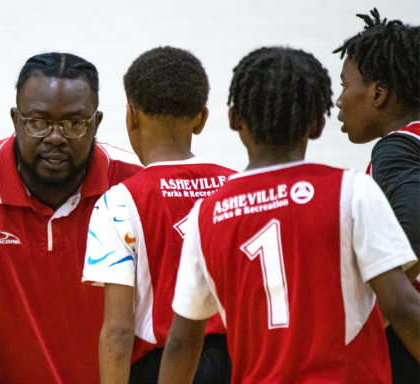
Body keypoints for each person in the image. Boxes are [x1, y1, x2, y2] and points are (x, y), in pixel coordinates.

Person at [158, 47, 420, 384]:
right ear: (316, 124)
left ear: (234, 118)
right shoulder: (351, 191)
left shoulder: (207, 214)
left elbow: (181, 343)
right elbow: (402, 306)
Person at [0, 52, 142, 383]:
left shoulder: (134, 183)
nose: (55, 137)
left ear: (96, 123)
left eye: (73, 124)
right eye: (38, 122)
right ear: (16, 119)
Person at [82, 46, 234, 384]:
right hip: (240, 364)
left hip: (161, 369)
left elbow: (118, 332)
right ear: (202, 118)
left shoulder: (118, 202)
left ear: (130, 115)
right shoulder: (239, 187)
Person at [334, 9, 420, 382]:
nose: (338, 100)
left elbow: (414, 229)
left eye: (344, 85)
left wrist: (372, 315)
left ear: (379, 93)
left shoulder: (397, 147)